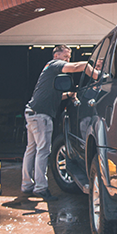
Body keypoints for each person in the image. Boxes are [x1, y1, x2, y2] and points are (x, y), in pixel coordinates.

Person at [21, 45, 88, 201]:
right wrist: (92, 68)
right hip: (40, 116)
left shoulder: (49, 72)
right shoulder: (54, 64)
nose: (68, 59)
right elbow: (78, 66)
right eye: (65, 56)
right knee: (43, 151)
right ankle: (40, 188)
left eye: (69, 57)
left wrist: (70, 94)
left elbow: (54, 97)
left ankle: (26, 185)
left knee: (31, 150)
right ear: (57, 55)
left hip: (31, 112)